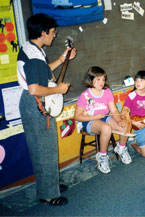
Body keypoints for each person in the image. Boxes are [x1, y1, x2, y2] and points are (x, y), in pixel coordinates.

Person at [17, 13, 77, 206]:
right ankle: (48, 194)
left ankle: (51, 186)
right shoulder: (34, 56)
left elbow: (42, 72)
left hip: (36, 102)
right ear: (43, 33)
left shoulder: (34, 49)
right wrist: (58, 89)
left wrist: (61, 59)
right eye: (52, 32)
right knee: (43, 150)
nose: (54, 35)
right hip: (34, 103)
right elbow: (34, 88)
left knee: (48, 149)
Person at [74, 66, 132, 174]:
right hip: (89, 121)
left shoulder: (107, 91)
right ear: (91, 80)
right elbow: (77, 116)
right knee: (106, 128)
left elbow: (113, 109)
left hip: (104, 118)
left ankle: (121, 148)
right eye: (98, 79)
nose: (101, 82)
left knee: (125, 123)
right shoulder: (85, 95)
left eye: (103, 79)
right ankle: (102, 156)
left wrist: (119, 120)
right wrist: (94, 117)